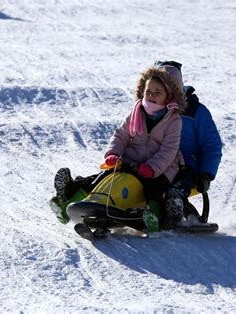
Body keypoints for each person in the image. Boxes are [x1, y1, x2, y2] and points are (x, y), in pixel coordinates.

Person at [53, 65, 186, 233]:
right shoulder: (137, 111)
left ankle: (154, 217)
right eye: (148, 91)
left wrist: (152, 168)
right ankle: (67, 206)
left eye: (157, 93)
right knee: (105, 178)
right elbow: (121, 135)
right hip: (132, 161)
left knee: (153, 188)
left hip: (161, 168)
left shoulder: (174, 121)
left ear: (169, 98)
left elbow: (169, 150)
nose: (151, 96)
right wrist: (114, 154)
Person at [154, 61, 223, 230]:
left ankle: (173, 212)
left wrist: (206, 174)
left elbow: (211, 145)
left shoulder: (196, 112)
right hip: (155, 162)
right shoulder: (150, 108)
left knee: (175, 188)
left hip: (186, 167)